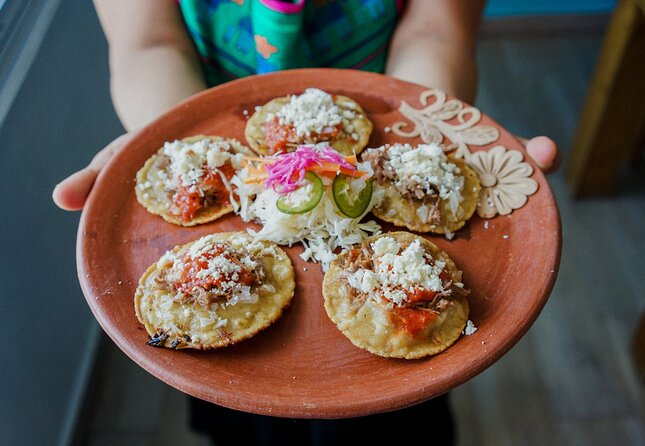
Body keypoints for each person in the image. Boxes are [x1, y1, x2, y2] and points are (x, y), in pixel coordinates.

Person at [52, 1, 558, 444]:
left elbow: (437, 29)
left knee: (394, 422)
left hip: (396, 351)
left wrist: (433, 124)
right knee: (246, 415)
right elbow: (147, 42)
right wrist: (179, 141)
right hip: (232, 346)